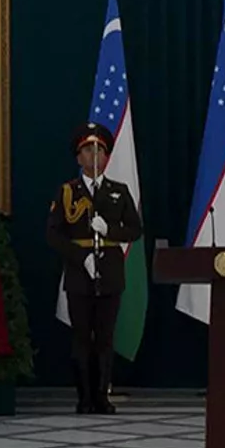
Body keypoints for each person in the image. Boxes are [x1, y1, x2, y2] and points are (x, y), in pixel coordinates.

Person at [47, 121, 143, 415]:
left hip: (110, 271)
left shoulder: (118, 192)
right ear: (79, 158)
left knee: (104, 337)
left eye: (99, 150)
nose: (94, 155)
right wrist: (81, 257)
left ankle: (102, 396)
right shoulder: (68, 192)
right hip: (79, 273)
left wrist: (110, 229)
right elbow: (54, 234)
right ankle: (84, 397)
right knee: (81, 338)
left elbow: (135, 230)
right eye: (88, 150)